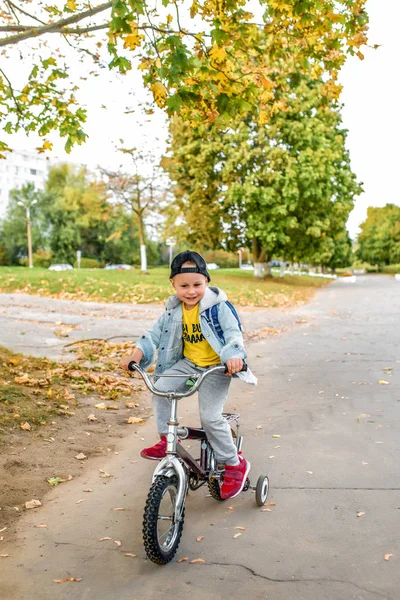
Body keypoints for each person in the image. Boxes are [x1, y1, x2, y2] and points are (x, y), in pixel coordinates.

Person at [120, 250, 257, 500]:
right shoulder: (173, 310)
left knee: (210, 417)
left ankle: (234, 464)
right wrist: (136, 355)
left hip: (217, 367)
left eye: (197, 284)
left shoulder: (219, 307)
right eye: (184, 286)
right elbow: (153, 335)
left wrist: (234, 357)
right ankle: (166, 439)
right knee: (161, 389)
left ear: (207, 282)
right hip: (189, 364)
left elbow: (233, 334)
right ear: (173, 284)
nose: (191, 291)